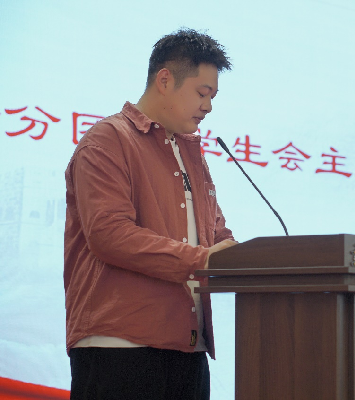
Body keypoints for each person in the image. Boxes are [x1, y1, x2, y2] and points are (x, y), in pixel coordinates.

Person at [64, 28, 237, 400]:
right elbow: (109, 234)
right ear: (165, 80)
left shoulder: (191, 155)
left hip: (188, 348)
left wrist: (242, 257)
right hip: (120, 346)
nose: (208, 106)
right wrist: (205, 260)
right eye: (202, 93)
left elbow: (217, 234)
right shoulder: (108, 139)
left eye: (213, 97)